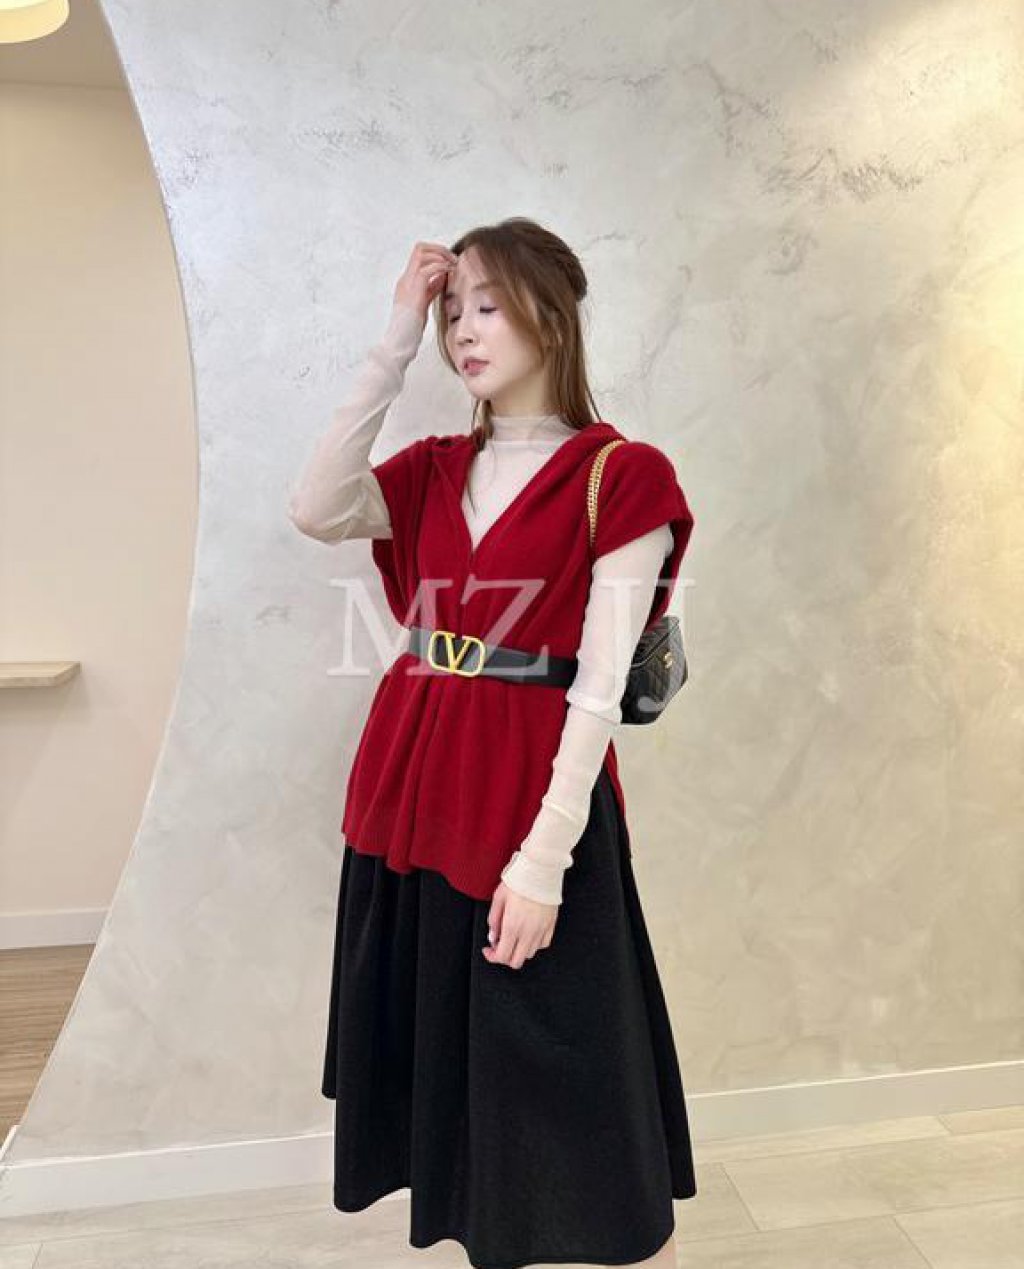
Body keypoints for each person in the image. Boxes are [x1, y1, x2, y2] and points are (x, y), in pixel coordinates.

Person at [289, 218, 697, 1269]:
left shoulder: (623, 475)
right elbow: (316, 505)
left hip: (531, 794)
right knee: (449, 1070)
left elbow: (598, 687)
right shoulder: (432, 470)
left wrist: (545, 858)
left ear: (550, 317)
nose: (463, 331)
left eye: (489, 305)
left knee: (560, 1079)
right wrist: (394, 335)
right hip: (412, 783)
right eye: (451, 313)